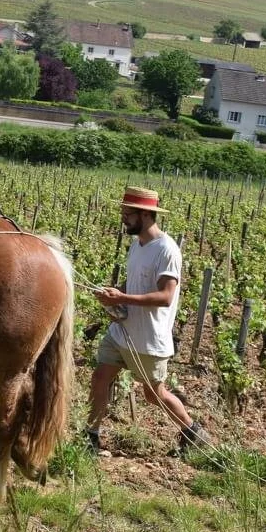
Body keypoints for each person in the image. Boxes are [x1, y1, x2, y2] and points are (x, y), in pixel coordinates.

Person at [87, 186, 208, 456]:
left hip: (148, 338)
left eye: (127, 213)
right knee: (100, 378)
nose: (123, 218)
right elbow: (132, 284)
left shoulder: (166, 250)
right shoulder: (136, 244)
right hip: (121, 332)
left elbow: (166, 297)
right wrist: (114, 295)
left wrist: (123, 298)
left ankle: (193, 432)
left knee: (154, 395)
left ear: (145, 214)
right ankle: (90, 437)